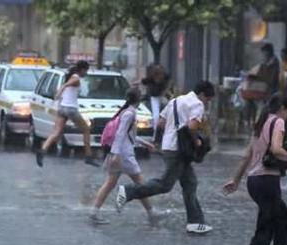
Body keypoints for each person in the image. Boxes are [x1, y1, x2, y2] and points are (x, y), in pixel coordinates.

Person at [115, 81, 215, 234]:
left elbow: (161, 122)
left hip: (169, 146)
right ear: (202, 94)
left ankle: (195, 222)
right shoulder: (197, 104)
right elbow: (192, 126)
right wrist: (196, 140)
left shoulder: (175, 100)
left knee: (190, 183)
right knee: (165, 185)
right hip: (179, 150)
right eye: (208, 98)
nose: (207, 102)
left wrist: (170, 132)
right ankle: (128, 191)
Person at [223, 95, 287, 245]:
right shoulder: (278, 121)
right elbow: (276, 148)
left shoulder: (261, 122)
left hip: (254, 181)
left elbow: (248, 155)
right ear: (283, 107)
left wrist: (236, 179)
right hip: (267, 181)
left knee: (283, 219)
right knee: (265, 228)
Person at [90, 89, 167, 225]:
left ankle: (94, 212)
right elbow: (120, 134)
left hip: (119, 154)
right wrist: (116, 154)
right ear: (138, 100)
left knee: (110, 184)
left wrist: (145, 143)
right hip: (124, 155)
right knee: (141, 185)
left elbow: (129, 135)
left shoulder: (125, 112)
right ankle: (151, 213)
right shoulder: (129, 113)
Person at [35, 60, 100, 168]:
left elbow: (66, 87)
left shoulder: (71, 76)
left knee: (56, 132)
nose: (86, 73)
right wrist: (60, 90)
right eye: (86, 71)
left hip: (62, 108)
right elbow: (66, 85)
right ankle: (88, 156)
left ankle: (42, 150)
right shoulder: (76, 78)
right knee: (86, 129)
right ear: (82, 69)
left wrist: (60, 93)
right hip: (71, 109)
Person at [141, 64, 170, 143]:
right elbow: (144, 81)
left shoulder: (164, 77)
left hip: (160, 96)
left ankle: (159, 133)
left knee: (161, 114)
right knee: (156, 115)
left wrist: (165, 92)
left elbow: (167, 84)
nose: (158, 80)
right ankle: (156, 134)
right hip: (155, 96)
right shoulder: (152, 78)